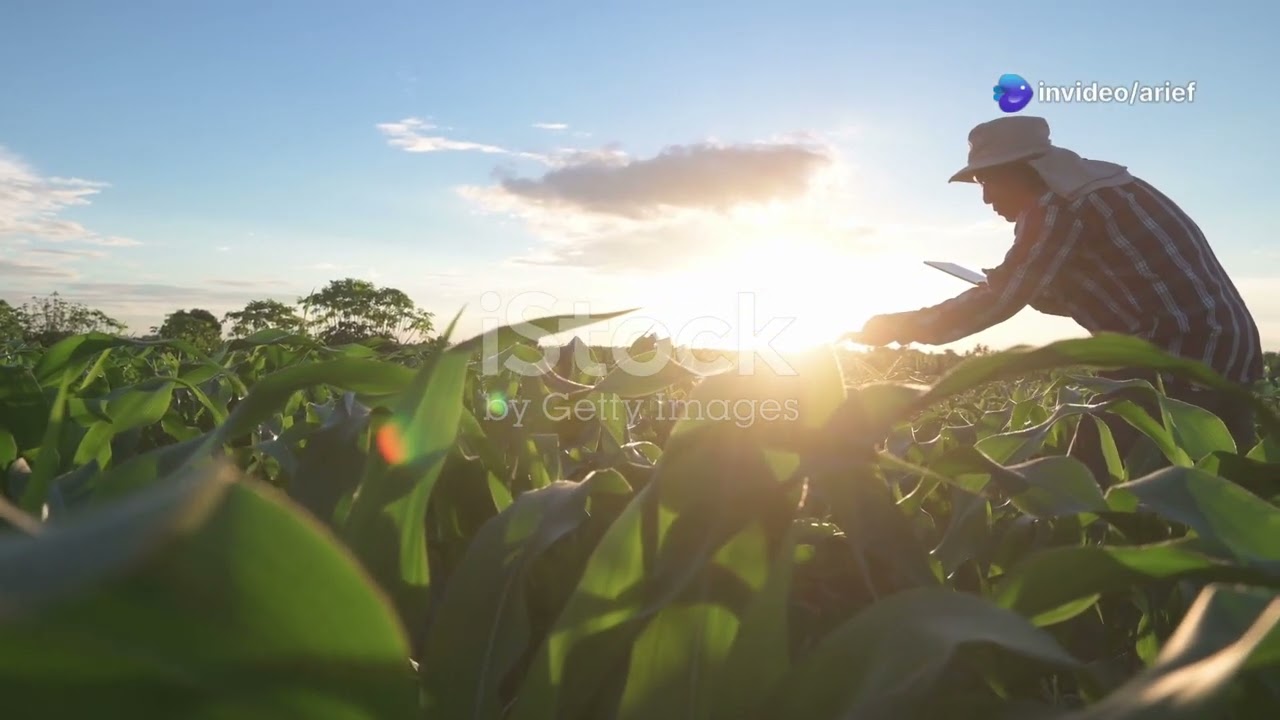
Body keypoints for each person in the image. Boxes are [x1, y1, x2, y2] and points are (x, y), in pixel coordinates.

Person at [851, 115, 1263, 482]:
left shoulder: (1054, 207)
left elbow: (1001, 298)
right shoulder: (1106, 189)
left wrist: (896, 326)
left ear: (1023, 171)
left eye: (987, 181)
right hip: (1226, 346)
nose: (986, 198)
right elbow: (1126, 286)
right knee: (1230, 488)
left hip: (1178, 352)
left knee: (1089, 482)